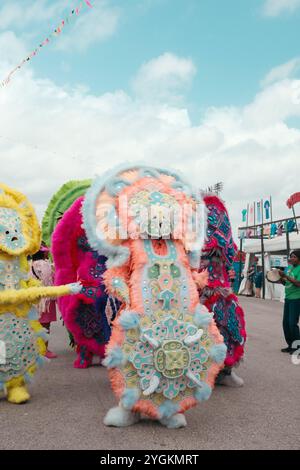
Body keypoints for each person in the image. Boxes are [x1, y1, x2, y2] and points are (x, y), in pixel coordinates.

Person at [31, 246, 58, 359]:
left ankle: (36, 349)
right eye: (46, 252)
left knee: (36, 324)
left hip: (35, 298)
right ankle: (44, 350)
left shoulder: (31, 264)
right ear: (43, 253)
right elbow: (47, 281)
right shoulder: (44, 264)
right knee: (45, 325)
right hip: (45, 300)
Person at [279, 250, 300, 354]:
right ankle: (291, 345)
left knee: (292, 323)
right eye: (291, 257)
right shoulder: (290, 268)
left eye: (294, 257)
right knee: (285, 323)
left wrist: (286, 276)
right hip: (288, 298)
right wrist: (279, 279)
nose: (291, 258)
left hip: (297, 299)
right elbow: (286, 283)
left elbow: (298, 283)